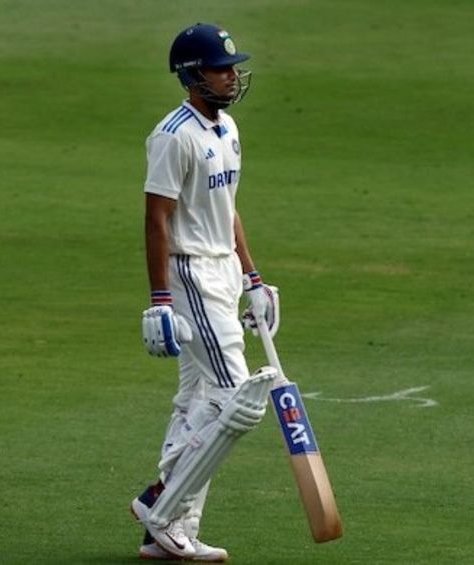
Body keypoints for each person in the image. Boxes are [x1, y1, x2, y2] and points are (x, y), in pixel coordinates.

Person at [129, 23, 280, 562]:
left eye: (234, 67)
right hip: (189, 272)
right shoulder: (173, 135)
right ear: (193, 76)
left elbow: (228, 209)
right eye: (221, 68)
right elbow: (155, 218)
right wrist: (160, 298)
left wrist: (252, 277)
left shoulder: (228, 128)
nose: (232, 76)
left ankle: (167, 528)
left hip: (220, 271)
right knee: (237, 400)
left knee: (198, 399)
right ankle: (162, 505)